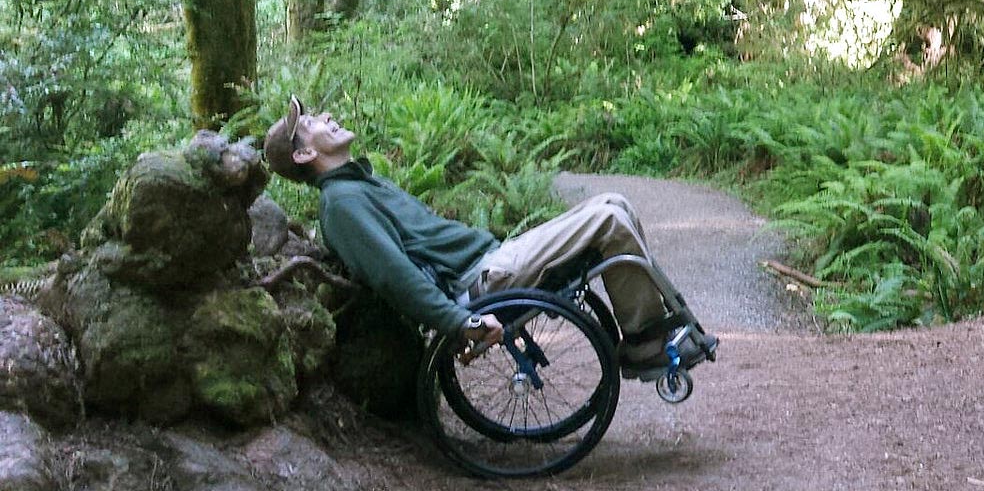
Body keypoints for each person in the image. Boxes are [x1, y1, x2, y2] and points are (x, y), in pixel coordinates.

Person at [263, 95, 692, 380]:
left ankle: (646, 334)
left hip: (491, 261)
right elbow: (392, 275)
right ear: (304, 154)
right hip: (480, 283)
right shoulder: (342, 204)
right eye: (313, 123)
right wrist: (459, 322)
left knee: (615, 202)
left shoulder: (356, 186)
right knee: (610, 221)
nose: (328, 117)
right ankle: (643, 346)